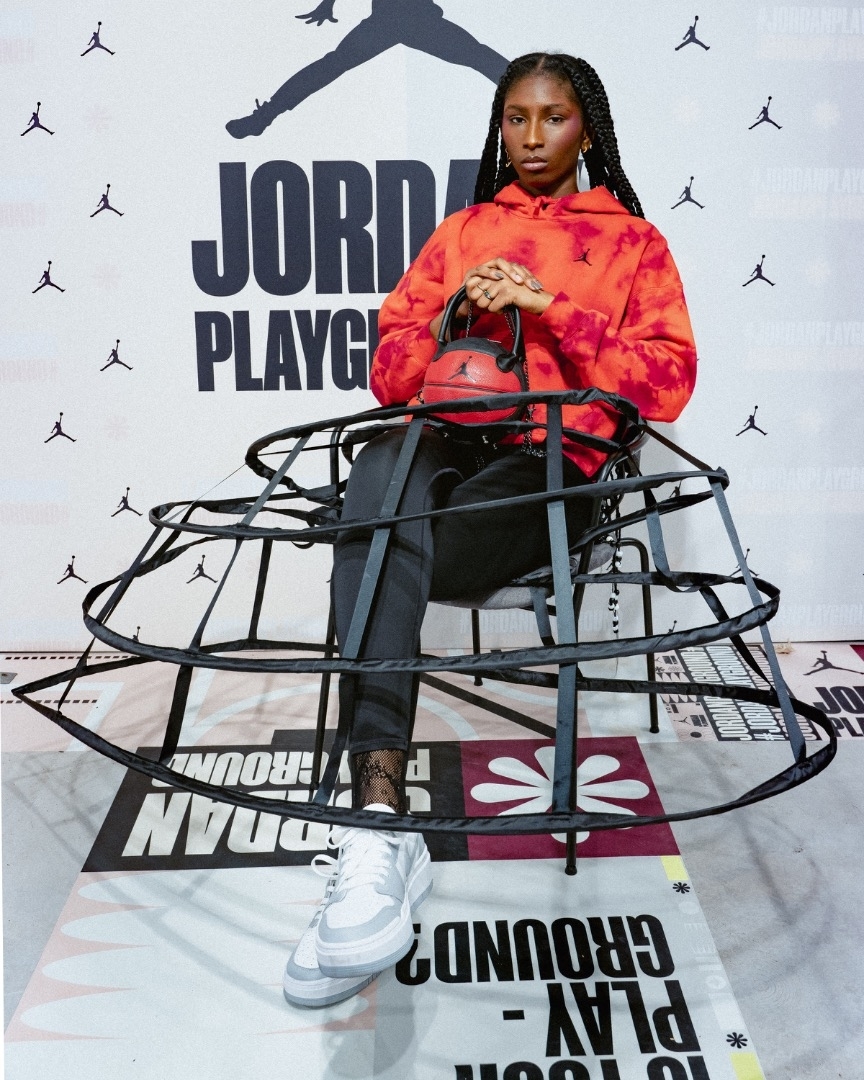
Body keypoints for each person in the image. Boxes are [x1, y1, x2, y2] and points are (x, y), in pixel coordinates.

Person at [282, 51, 697, 1008]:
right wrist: (454, 315)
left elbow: (668, 382)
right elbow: (389, 373)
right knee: (379, 476)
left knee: (379, 539)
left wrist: (548, 307)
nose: (532, 137)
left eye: (554, 118)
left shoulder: (635, 243)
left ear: (587, 129)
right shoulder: (464, 231)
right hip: (446, 439)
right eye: (516, 118)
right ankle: (380, 820)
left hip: (552, 461)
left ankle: (378, 832)